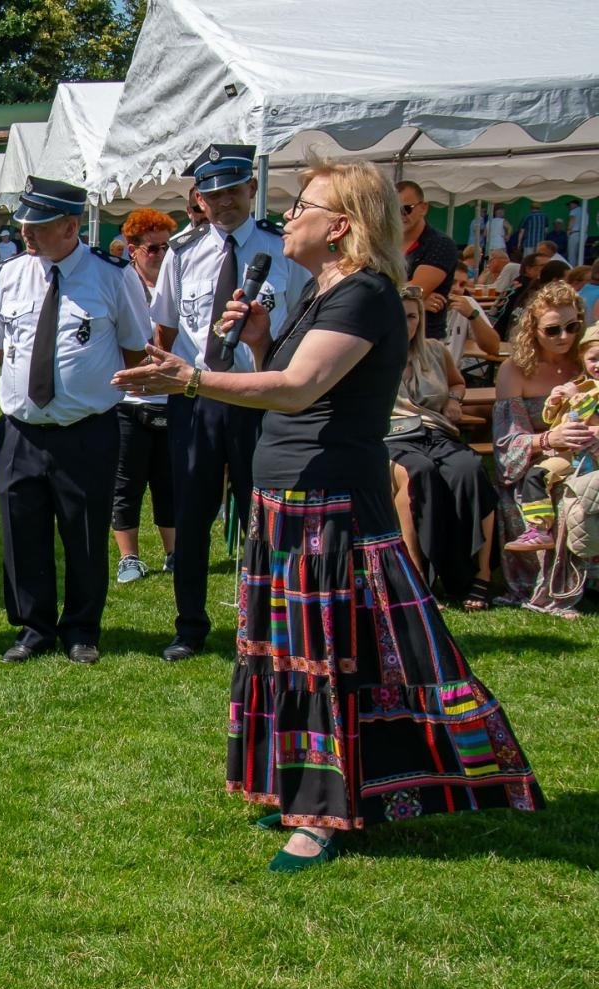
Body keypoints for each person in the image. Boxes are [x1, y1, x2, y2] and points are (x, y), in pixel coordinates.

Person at [114, 156, 544, 872]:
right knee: (283, 655)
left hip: (330, 505)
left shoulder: (368, 294)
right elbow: (286, 375)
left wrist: (189, 377)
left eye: (302, 205)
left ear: (340, 225)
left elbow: (297, 387)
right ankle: (295, 789)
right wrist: (256, 340)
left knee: (327, 660)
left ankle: (321, 816)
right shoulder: (324, 290)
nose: (288, 215)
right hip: (285, 497)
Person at [0, 176, 151, 664]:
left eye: (40, 225)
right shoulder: (10, 274)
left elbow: (136, 349)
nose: (27, 233)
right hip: (22, 430)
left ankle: (82, 629)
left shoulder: (112, 277)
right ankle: (33, 627)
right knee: (21, 528)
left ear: (72, 226)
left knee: (85, 532)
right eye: (25, 223)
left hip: (86, 431)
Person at [149, 143, 312, 663]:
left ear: (252, 189)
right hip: (198, 400)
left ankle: (267, 625)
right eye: (212, 195)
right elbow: (167, 328)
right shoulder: (182, 252)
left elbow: (306, 324)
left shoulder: (285, 252)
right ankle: (189, 626)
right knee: (192, 514)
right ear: (199, 197)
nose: (223, 204)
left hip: (262, 396)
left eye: (232, 192)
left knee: (266, 518)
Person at [388, 285, 496, 610]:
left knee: (471, 468)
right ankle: (419, 578)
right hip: (389, 438)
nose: (405, 324)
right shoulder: (366, 354)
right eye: (398, 316)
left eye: (411, 316)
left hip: (437, 432)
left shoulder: (435, 350)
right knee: (419, 473)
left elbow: (458, 382)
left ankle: (482, 574)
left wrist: (453, 399)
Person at [493, 283, 595, 618]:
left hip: (589, 455)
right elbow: (507, 444)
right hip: (534, 466)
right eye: (552, 330)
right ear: (533, 331)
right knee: (560, 498)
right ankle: (556, 589)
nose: (564, 336)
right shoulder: (515, 370)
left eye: (572, 327)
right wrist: (552, 439)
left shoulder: (591, 363)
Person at [112, 208, 179, 582]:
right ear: (133, 248)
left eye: (166, 247)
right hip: (131, 401)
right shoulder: (123, 283)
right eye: (153, 248)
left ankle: (173, 553)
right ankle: (129, 558)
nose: (161, 255)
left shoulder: (177, 280)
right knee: (127, 482)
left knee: (169, 481)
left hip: (172, 397)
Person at [504, 334, 599, 553]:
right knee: (536, 475)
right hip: (568, 453)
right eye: (593, 359)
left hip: (589, 455)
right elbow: (552, 420)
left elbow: (590, 417)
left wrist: (575, 398)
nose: (598, 365)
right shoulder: (582, 385)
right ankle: (539, 529)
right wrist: (554, 402)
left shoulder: (585, 392)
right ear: (583, 359)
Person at [396, 181, 458, 341]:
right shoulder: (384, 243)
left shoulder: (440, 244)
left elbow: (417, 290)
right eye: (391, 210)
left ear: (423, 208)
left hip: (425, 341)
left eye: (405, 209)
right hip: (390, 335)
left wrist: (414, 296)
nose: (399, 216)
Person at [445, 263, 501, 383]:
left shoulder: (467, 304)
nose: (457, 289)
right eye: (452, 282)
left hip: (448, 384)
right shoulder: (418, 304)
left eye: (462, 285)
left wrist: (473, 315)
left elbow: (494, 347)